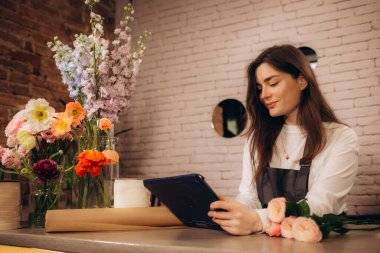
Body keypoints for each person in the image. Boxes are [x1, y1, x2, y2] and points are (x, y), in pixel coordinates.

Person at [208, 44, 359, 235]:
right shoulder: (257, 138)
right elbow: (249, 196)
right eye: (260, 88)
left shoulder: (340, 138)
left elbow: (321, 205)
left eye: (273, 83)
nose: (264, 95)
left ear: (302, 81)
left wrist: (256, 220)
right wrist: (235, 210)